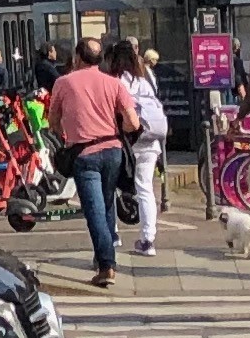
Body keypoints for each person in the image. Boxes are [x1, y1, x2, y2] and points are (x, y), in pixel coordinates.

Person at [45, 40, 133, 290]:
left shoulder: (64, 83)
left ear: (77, 57)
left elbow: (53, 120)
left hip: (84, 153)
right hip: (113, 150)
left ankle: (106, 265)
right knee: (106, 203)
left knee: (94, 210)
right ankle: (104, 255)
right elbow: (133, 121)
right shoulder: (113, 83)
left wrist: (65, 134)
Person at [113, 37, 171, 261]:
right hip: (151, 142)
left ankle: (113, 235)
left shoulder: (117, 81)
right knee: (145, 189)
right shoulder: (146, 79)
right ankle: (148, 241)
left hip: (128, 143)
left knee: (111, 187)